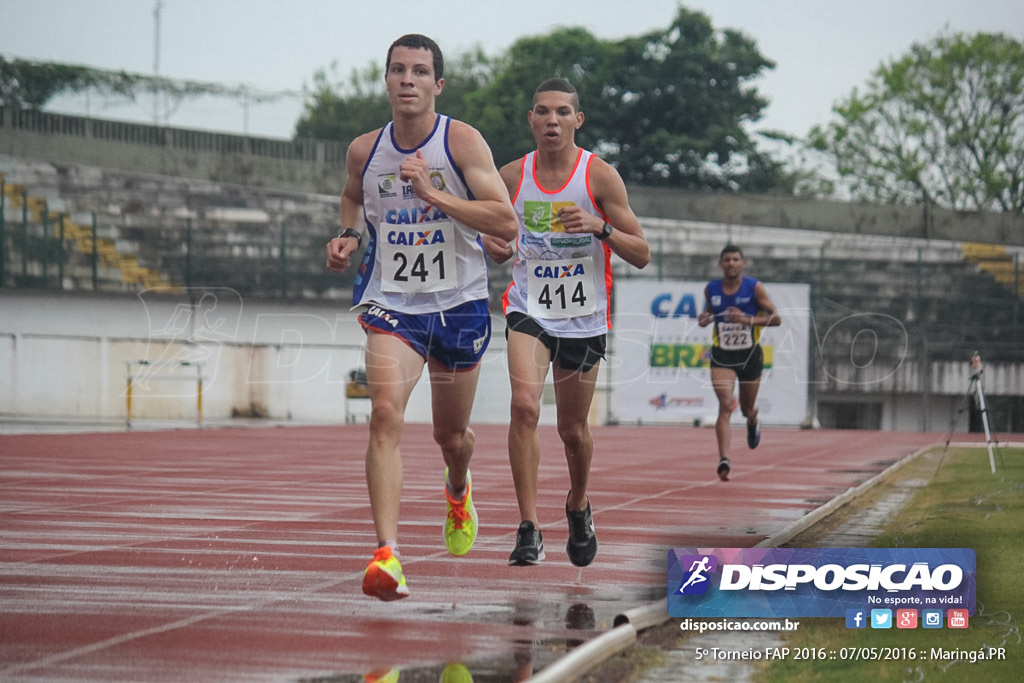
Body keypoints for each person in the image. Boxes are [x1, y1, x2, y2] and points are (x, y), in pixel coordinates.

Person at [325, 34, 518, 601]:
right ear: (386, 81)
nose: (407, 80)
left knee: (450, 436)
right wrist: (347, 236)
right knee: (384, 412)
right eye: (397, 70)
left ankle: (458, 490)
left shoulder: (460, 141)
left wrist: (433, 195)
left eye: (419, 71)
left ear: (438, 84)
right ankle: (387, 555)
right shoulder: (365, 149)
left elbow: (504, 221)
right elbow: (352, 197)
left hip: (458, 303)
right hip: (394, 303)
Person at [484, 78, 650, 567]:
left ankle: (578, 503)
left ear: (578, 120)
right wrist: (494, 247)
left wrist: (600, 227)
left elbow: (641, 253)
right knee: (523, 407)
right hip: (529, 309)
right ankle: (529, 526)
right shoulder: (511, 176)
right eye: (542, 112)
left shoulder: (599, 177)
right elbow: (488, 240)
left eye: (561, 112)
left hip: (582, 316)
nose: (551, 121)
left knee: (573, 431)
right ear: (531, 121)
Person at [697, 245, 781, 481]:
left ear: (743, 263)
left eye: (735, 259)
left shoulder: (754, 288)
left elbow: (776, 318)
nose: (731, 263)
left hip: (749, 355)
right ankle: (724, 458)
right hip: (722, 354)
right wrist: (704, 319)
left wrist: (746, 320)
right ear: (721, 264)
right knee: (725, 404)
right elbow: (708, 315)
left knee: (745, 409)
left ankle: (753, 421)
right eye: (727, 259)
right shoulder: (711, 289)